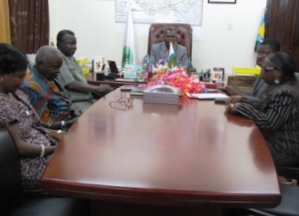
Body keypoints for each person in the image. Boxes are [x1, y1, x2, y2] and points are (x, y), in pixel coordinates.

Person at [0, 43, 61, 190]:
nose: (23, 81)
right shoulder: (2, 104)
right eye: (19, 77)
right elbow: (19, 147)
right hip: (32, 165)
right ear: (2, 74)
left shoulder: (16, 92)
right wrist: (55, 149)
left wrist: (62, 136)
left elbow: (38, 126)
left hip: (47, 152)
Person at [226, 52, 299, 167]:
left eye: (265, 69)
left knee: (242, 152)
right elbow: (264, 104)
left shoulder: (286, 92)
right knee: (242, 144)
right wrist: (243, 99)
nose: (261, 72)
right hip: (276, 140)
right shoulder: (279, 86)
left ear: (278, 72)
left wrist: (242, 108)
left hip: (285, 148)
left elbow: (268, 123)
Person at [21, 46, 79, 129]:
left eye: (59, 67)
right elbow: (39, 124)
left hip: (70, 117)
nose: (58, 71)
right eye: (55, 68)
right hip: (59, 128)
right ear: (40, 65)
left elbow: (64, 98)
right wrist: (67, 123)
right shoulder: (32, 87)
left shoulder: (46, 74)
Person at [56, 30, 113, 112]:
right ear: (59, 44)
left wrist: (99, 90)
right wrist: (97, 89)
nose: (74, 47)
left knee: (112, 109)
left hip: (88, 99)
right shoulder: (58, 58)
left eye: (75, 44)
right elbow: (71, 84)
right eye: (70, 44)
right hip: (77, 103)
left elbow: (81, 81)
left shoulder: (71, 57)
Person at [225, 39, 280, 108]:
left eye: (265, 53)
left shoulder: (276, 76)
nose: (260, 56)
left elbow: (263, 103)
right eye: (259, 53)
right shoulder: (263, 72)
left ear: (277, 56)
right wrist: (234, 90)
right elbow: (252, 94)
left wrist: (242, 97)